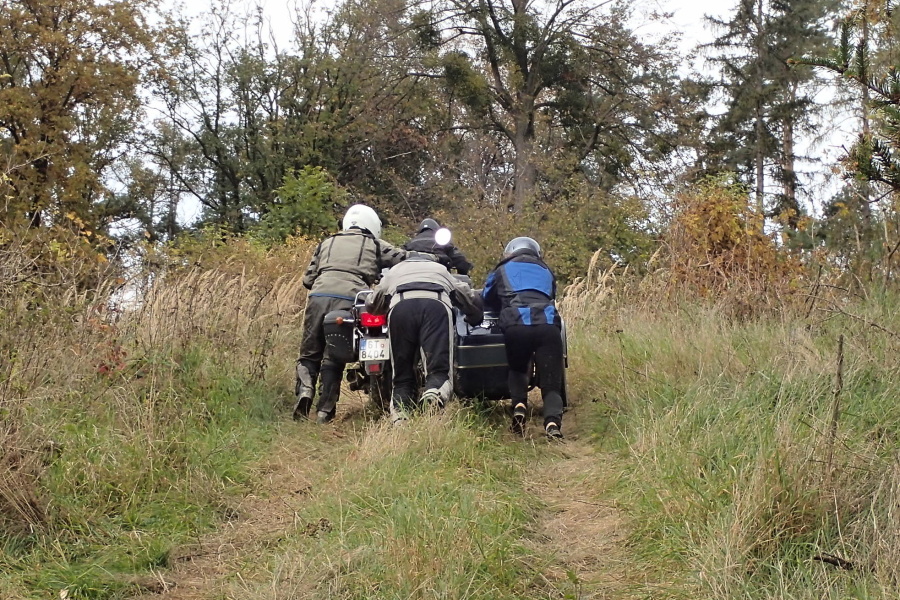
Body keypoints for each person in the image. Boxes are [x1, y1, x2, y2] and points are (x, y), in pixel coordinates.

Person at [295, 204, 407, 424]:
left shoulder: (327, 242)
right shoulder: (374, 243)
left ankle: (305, 391)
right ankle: (324, 411)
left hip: (318, 296)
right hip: (351, 299)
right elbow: (402, 259)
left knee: (309, 353)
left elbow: (307, 280)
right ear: (373, 226)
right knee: (334, 355)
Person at [366, 251, 483, 424]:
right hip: (435, 306)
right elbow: (466, 296)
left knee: (402, 374)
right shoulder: (440, 269)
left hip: (400, 308)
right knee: (439, 369)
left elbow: (372, 303)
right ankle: (434, 393)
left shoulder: (394, 270)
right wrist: (474, 316)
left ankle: (400, 418)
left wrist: (380, 307)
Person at [482, 237, 565, 439]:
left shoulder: (501, 269)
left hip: (516, 325)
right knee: (551, 380)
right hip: (547, 325)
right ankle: (553, 423)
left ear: (510, 251)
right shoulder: (546, 270)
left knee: (518, 369)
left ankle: (519, 406)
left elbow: (486, 297)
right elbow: (551, 294)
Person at [403, 218, 474, 275]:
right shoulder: (443, 242)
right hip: (439, 277)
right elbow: (460, 261)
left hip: (411, 277)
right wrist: (464, 272)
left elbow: (398, 258)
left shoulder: (409, 243)